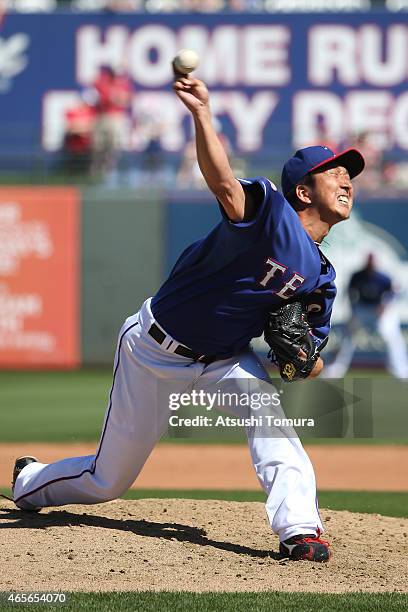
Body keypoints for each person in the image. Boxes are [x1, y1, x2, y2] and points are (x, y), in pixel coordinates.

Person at [11, 75, 365, 562]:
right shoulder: (271, 214)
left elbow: (310, 365)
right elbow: (222, 182)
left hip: (225, 359)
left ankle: (299, 530)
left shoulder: (322, 279)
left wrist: (301, 359)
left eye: (350, 174)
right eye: (335, 172)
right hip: (153, 349)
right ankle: (30, 482)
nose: (348, 180)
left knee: (271, 420)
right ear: (304, 191)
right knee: (107, 480)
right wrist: (202, 113)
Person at [324, 254, 408, 379]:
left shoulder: (382, 277)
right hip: (362, 309)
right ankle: (336, 368)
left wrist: (384, 306)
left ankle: (401, 370)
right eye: (368, 264)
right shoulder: (358, 276)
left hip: (379, 310)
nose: (370, 266)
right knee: (347, 337)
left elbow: (393, 293)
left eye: (372, 264)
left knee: (392, 337)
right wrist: (353, 311)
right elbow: (350, 293)